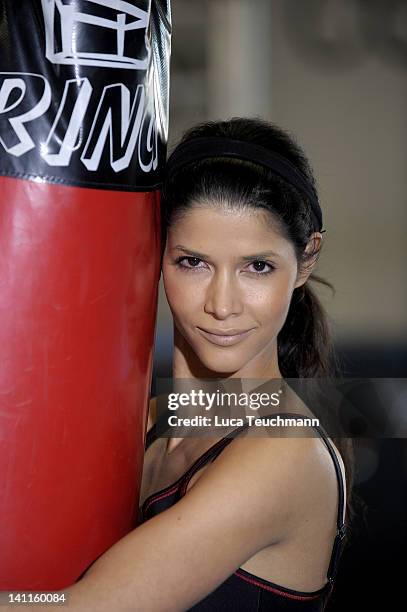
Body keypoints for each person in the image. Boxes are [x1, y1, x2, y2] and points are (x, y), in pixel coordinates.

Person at [65, 118, 355, 610]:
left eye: (257, 267)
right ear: (154, 254)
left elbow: (73, 607)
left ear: (306, 259)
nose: (222, 304)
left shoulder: (282, 456)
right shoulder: (148, 424)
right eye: (193, 262)